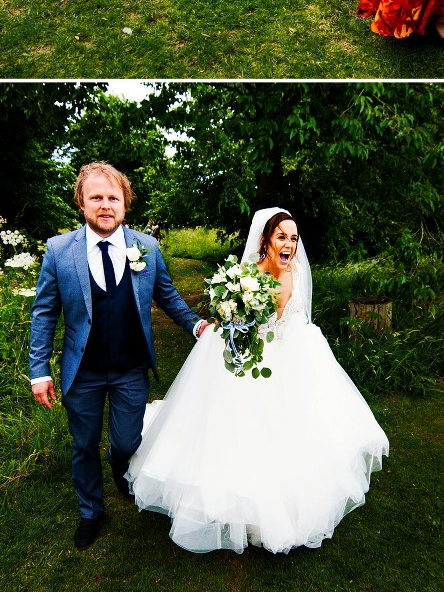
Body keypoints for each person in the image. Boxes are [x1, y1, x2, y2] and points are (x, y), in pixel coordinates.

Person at [126, 208, 389, 555]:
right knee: (242, 432)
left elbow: (299, 317)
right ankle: (244, 505)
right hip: (253, 360)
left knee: (303, 430)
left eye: (294, 238)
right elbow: (233, 321)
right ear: (266, 240)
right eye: (282, 236)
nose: (289, 245)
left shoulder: (297, 272)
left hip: (295, 357)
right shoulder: (246, 277)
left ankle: (291, 501)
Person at [29, 162, 207, 551]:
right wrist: (38, 370)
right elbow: (44, 311)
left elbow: (168, 296)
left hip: (130, 369)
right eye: (96, 197)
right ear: (82, 203)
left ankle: (120, 467)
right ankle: (91, 511)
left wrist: (196, 326)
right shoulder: (59, 250)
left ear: (125, 204)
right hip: (83, 371)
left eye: (113, 197)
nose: (105, 205)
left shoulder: (147, 246)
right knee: (84, 445)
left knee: (127, 443)